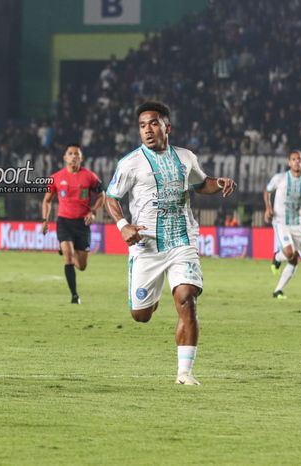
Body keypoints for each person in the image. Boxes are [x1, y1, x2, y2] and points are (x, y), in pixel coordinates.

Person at [104, 101, 236, 386]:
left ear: (167, 127)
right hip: (146, 245)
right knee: (141, 316)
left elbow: (201, 183)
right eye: (142, 126)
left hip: (182, 240)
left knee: (187, 299)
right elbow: (111, 196)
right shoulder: (130, 163)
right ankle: (152, 299)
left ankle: (184, 373)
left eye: (153, 123)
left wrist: (220, 183)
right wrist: (123, 224)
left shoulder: (186, 157)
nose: (147, 130)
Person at [41, 144, 104, 304]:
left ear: (81, 158)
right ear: (65, 157)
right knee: (68, 258)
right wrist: (45, 220)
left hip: (82, 224)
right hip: (64, 222)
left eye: (77, 154)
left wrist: (93, 211)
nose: (74, 156)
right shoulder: (56, 177)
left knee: (81, 266)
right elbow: (47, 200)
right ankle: (74, 296)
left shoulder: (90, 177)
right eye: (71, 153)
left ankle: (67, 250)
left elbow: (102, 195)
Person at [263, 150, 301, 299]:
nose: (297, 162)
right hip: (281, 221)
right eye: (294, 159)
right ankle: (277, 257)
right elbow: (267, 191)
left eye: (299, 159)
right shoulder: (280, 178)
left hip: (298, 224)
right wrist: (268, 208)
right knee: (289, 253)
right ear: (289, 163)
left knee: (295, 259)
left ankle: (278, 291)